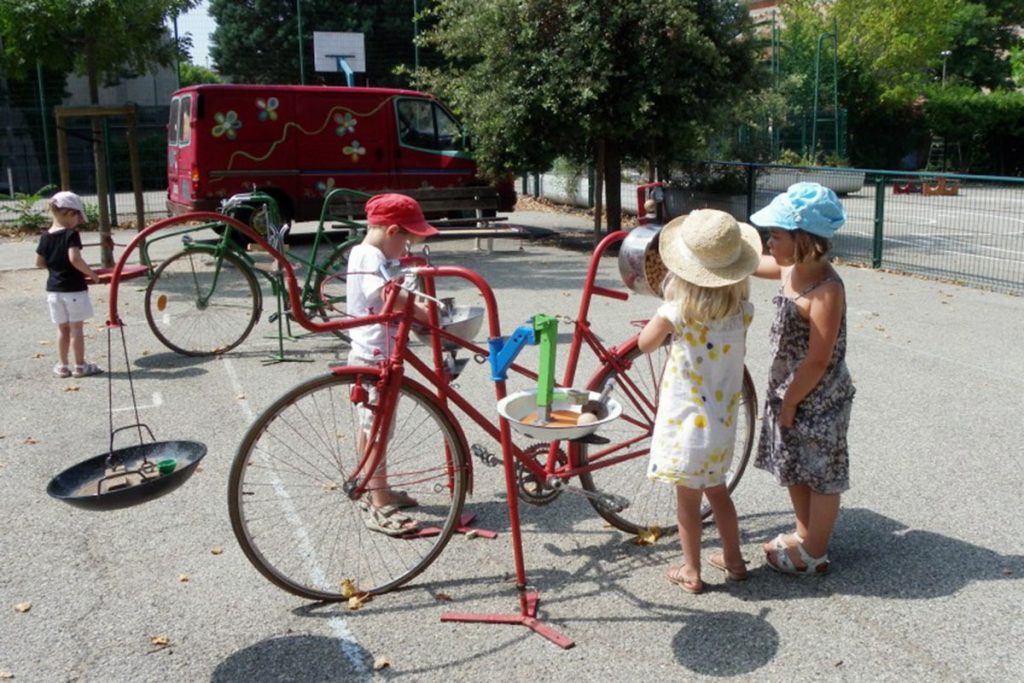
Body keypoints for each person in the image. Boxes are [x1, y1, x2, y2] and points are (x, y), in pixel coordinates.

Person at [639, 209, 761, 594]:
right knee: (719, 493)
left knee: (687, 502)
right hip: (722, 423)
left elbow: (645, 344)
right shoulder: (744, 312)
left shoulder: (677, 312)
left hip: (686, 423)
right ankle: (734, 560)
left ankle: (691, 569)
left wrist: (661, 325)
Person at [749, 182, 855, 576]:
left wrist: (791, 401)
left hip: (818, 395)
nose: (768, 241)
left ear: (803, 239)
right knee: (793, 463)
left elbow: (818, 359)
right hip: (787, 390)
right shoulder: (789, 267)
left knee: (822, 473)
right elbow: (750, 263)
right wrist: (719, 258)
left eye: (775, 235)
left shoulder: (826, 290)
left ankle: (816, 551)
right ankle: (804, 531)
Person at [346, 193, 439, 536]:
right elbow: (387, 293)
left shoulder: (367, 252)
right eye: (407, 240)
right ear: (392, 231)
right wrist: (426, 313)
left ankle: (372, 485)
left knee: (370, 427)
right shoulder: (369, 254)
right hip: (375, 356)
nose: (406, 249)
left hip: (370, 352)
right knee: (378, 431)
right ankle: (380, 501)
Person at [35, 191, 103, 379]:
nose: (78, 221)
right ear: (69, 213)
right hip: (74, 289)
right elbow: (75, 259)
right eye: (77, 216)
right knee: (77, 329)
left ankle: (63, 365)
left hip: (54, 291)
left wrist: (55, 265)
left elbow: (39, 263)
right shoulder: (71, 235)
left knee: (62, 329)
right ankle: (80, 366)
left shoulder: (45, 236)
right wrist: (92, 273)